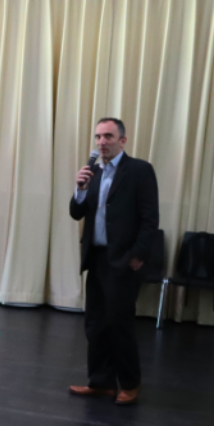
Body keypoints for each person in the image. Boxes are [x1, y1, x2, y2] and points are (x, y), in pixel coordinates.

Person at [69, 118, 159, 405]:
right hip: (96, 258)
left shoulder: (140, 171)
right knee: (95, 324)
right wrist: (80, 188)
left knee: (119, 324)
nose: (101, 142)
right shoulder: (92, 171)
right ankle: (101, 383)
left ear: (123, 140)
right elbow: (76, 213)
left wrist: (138, 257)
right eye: (98, 136)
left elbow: (149, 220)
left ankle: (130, 383)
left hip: (123, 261)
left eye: (108, 136)